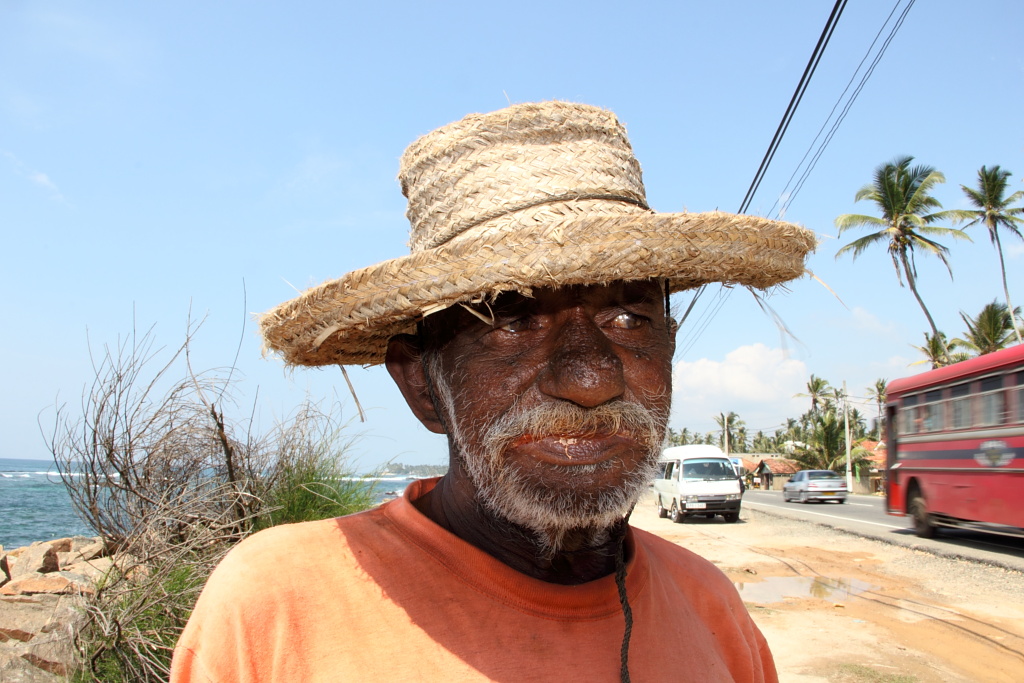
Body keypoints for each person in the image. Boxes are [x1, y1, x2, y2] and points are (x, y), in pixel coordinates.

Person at [170, 101, 814, 682]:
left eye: (629, 319)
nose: (592, 380)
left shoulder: (711, 606)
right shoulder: (276, 605)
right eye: (513, 321)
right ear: (422, 385)